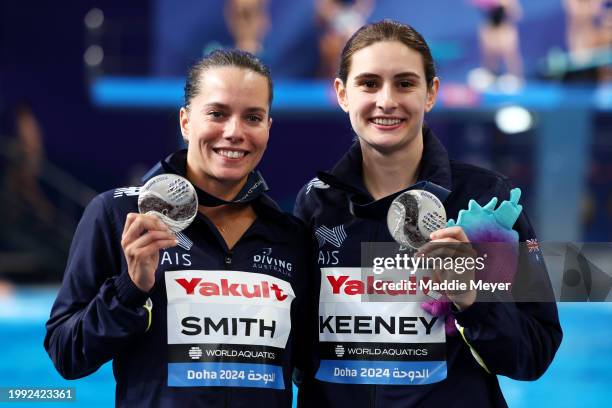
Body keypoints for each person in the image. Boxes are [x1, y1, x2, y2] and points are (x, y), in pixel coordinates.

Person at [294, 20, 562, 407]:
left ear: (431, 93)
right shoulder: (317, 204)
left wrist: (472, 299)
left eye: (405, 83)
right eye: (369, 83)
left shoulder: (486, 200)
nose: (386, 100)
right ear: (342, 93)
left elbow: (534, 353)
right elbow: (295, 350)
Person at [45, 49, 310, 408]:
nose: (234, 132)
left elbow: (314, 366)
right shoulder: (119, 213)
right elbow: (67, 354)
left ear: (268, 128)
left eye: (252, 117)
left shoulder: (289, 236)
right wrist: (130, 290)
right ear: (186, 122)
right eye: (217, 114)